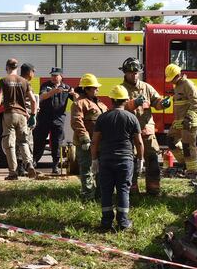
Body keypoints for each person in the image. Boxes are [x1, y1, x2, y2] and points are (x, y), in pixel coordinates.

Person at [92, 85, 143, 231]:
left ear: (112, 100)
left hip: (106, 159)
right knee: (123, 190)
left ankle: (106, 223)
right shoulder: (132, 118)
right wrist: (140, 160)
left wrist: (94, 160)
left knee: (106, 190)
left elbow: (95, 141)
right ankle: (123, 222)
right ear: (126, 100)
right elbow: (139, 142)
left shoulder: (102, 118)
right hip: (125, 160)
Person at [120, 57, 170, 196]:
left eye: (136, 73)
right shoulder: (121, 89)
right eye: (131, 73)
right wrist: (134, 103)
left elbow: (156, 102)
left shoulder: (146, 87)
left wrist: (162, 103)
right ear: (125, 73)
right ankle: (132, 191)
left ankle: (153, 190)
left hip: (147, 132)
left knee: (153, 160)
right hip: (129, 134)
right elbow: (119, 107)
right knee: (131, 162)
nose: (134, 75)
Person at [0, 59, 38, 180]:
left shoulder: (4, 80)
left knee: (10, 144)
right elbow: (33, 100)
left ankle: (13, 173)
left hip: (9, 114)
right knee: (23, 141)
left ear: (7, 68)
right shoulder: (24, 81)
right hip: (22, 115)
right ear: (17, 68)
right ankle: (28, 163)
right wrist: (33, 115)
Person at [71, 73, 107, 201]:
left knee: (100, 170)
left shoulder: (99, 103)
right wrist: (84, 138)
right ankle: (88, 196)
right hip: (86, 143)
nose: (97, 89)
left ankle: (100, 195)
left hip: (99, 143)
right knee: (86, 169)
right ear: (86, 89)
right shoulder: (79, 103)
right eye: (94, 87)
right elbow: (76, 121)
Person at [34, 67, 76, 174]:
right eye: (52, 75)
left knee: (57, 142)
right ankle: (33, 162)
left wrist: (74, 94)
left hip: (58, 119)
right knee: (39, 140)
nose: (53, 77)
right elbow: (42, 97)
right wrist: (53, 92)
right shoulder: (46, 85)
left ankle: (55, 165)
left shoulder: (66, 87)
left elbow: (77, 100)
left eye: (55, 75)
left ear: (61, 76)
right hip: (44, 118)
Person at [164, 63, 197, 178]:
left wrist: (188, 118)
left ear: (178, 75)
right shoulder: (177, 86)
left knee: (188, 146)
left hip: (189, 122)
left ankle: (192, 172)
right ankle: (184, 163)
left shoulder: (188, 84)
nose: (171, 81)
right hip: (179, 121)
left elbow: (196, 103)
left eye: (172, 78)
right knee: (171, 140)